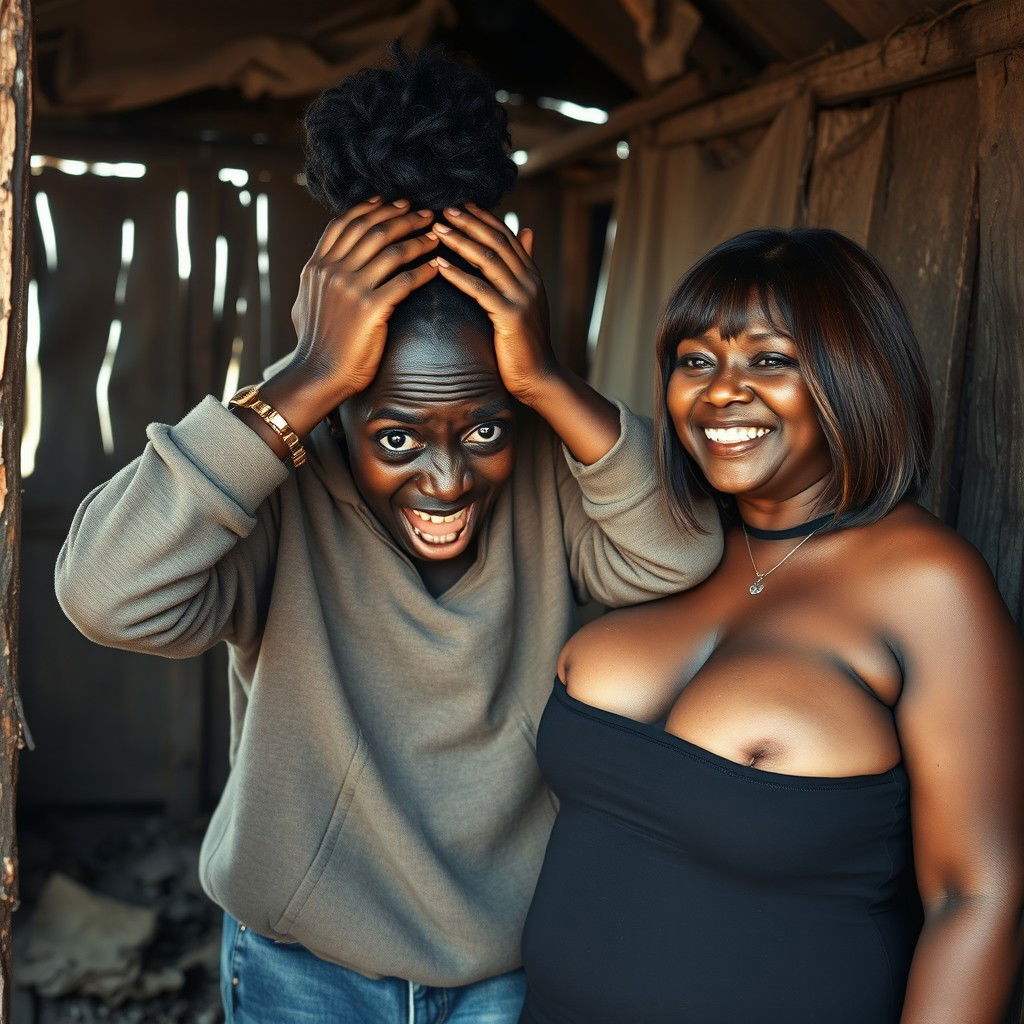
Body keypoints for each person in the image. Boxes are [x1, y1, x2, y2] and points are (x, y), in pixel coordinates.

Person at [54, 47, 722, 1024]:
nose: (446, 480)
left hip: (511, 959)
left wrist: (543, 381)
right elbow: (104, 593)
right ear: (332, 415)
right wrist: (305, 378)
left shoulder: (548, 468)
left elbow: (683, 553)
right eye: (397, 434)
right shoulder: (280, 479)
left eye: (484, 427)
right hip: (301, 966)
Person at [518, 228, 1024, 1024]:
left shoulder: (927, 584)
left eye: (769, 359)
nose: (722, 390)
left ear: (853, 373)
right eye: (696, 361)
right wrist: (538, 375)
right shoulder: (673, 547)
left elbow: (976, 897)